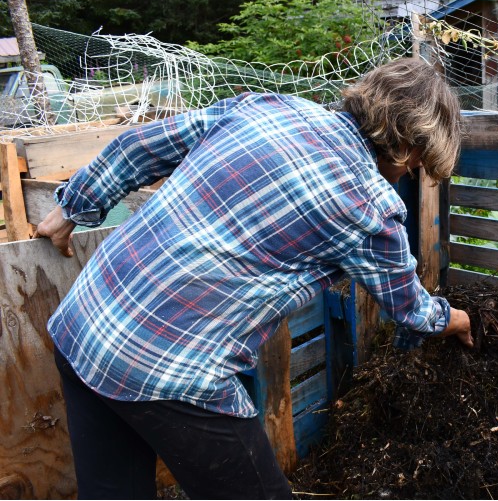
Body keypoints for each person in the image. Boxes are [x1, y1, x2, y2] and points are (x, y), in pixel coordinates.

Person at [35, 57, 473, 500]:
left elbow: (139, 147)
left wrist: (72, 207)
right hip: (168, 369)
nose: (412, 173)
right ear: (411, 144)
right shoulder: (370, 207)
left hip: (84, 321)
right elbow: (410, 309)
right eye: (419, 163)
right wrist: (456, 319)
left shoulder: (268, 107)